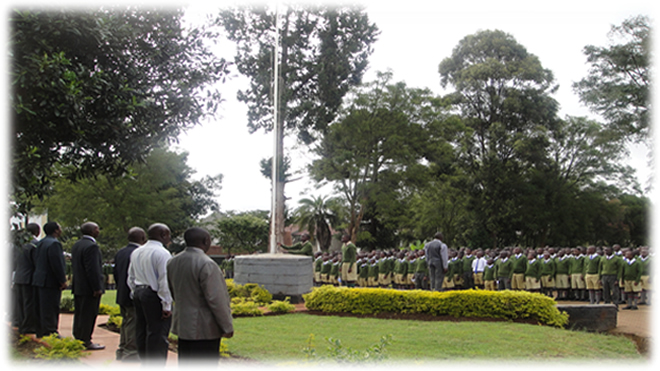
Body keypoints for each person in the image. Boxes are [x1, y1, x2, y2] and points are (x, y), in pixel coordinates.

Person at [167, 227, 234, 364]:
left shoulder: (173, 262)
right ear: (206, 241)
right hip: (204, 328)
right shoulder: (207, 264)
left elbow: (173, 291)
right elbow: (216, 300)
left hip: (183, 324)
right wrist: (227, 326)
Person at [127, 223, 174, 365]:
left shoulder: (137, 251)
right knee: (157, 333)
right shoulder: (162, 253)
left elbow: (130, 276)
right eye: (168, 235)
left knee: (141, 329)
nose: (169, 238)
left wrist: (134, 292)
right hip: (153, 295)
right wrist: (167, 304)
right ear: (163, 235)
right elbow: (164, 280)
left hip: (139, 292)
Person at [113, 227, 147, 362]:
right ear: (143, 238)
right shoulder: (138, 253)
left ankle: (122, 349)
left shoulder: (120, 252)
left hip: (122, 292)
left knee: (126, 322)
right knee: (133, 323)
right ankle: (131, 353)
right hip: (133, 293)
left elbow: (116, 273)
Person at [71, 222, 105, 350]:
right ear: (92, 231)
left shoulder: (77, 245)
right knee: (89, 314)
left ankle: (78, 336)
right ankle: (86, 340)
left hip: (79, 285)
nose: (98, 231)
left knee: (79, 313)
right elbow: (93, 269)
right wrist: (97, 287)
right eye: (97, 228)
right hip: (89, 288)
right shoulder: (92, 247)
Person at [32, 221, 67, 338]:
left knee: (40, 307)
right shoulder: (54, 244)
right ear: (56, 230)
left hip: (39, 279)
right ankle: (51, 331)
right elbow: (56, 264)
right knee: (51, 307)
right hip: (50, 281)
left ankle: (41, 330)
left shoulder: (40, 243)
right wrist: (62, 280)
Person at [14, 223, 40, 335]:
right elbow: (36, 262)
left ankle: (20, 323)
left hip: (18, 276)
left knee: (20, 303)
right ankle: (28, 326)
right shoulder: (34, 245)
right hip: (29, 277)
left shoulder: (18, 244)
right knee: (29, 302)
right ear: (37, 232)